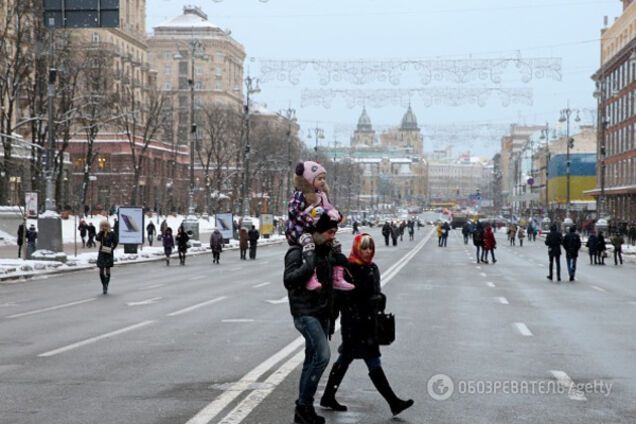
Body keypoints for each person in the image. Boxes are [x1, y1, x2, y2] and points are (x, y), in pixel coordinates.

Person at [321, 233, 413, 418]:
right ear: (357, 248)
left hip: (369, 323)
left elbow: (375, 293)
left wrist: (379, 299)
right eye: (364, 247)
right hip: (354, 323)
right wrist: (368, 300)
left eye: (370, 247)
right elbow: (345, 295)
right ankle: (393, 401)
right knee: (369, 360)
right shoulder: (350, 268)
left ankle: (328, 396)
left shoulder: (372, 267)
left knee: (347, 359)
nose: (367, 251)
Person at [283, 212, 341, 424]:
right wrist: (308, 264)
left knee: (311, 360)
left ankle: (303, 410)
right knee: (323, 356)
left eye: (334, 232)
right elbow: (289, 281)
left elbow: (332, 287)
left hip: (322, 313)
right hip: (304, 313)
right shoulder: (297, 252)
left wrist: (333, 316)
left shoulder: (327, 253)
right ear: (316, 232)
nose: (332, 237)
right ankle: (303, 405)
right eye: (329, 232)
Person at [285, 160, 353, 292]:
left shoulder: (321, 195)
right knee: (309, 247)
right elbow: (293, 211)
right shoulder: (301, 194)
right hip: (298, 231)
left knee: (335, 245)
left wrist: (336, 215)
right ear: (309, 180)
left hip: (312, 230)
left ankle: (337, 277)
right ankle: (310, 277)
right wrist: (310, 218)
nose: (322, 181)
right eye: (319, 178)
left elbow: (328, 208)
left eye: (324, 179)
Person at [96, 220, 118, 294]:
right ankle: (104, 285)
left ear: (108, 226)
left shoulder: (111, 233)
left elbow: (116, 242)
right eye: (102, 226)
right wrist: (101, 232)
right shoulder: (101, 233)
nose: (104, 227)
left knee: (107, 269)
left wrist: (112, 249)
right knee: (101, 270)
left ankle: (106, 285)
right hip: (102, 253)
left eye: (105, 226)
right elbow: (97, 238)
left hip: (108, 253)